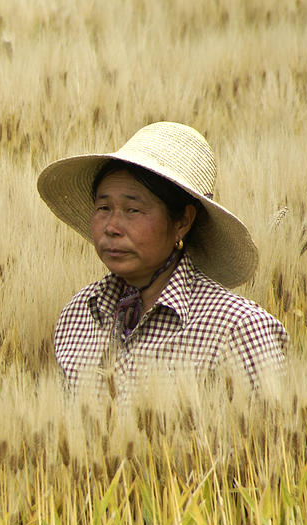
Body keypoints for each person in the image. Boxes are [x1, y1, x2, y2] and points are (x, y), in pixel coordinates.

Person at [36, 121, 288, 399]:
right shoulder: (79, 314)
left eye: (133, 210)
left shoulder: (238, 330)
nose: (112, 227)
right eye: (104, 207)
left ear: (182, 221)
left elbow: (270, 438)